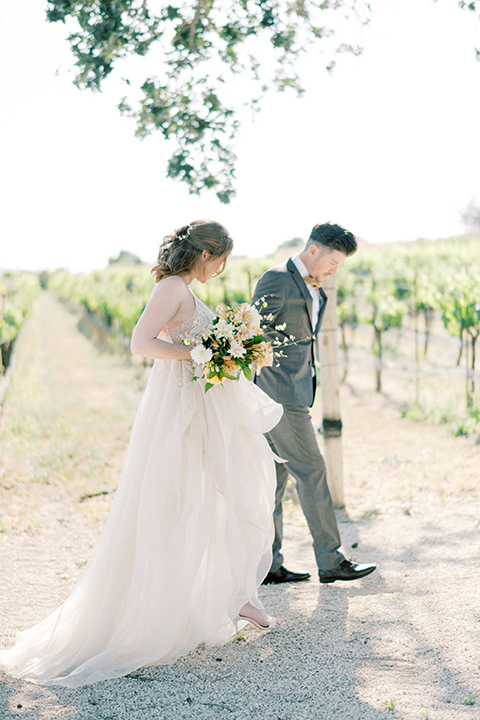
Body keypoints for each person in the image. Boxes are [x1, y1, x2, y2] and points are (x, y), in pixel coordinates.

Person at [0, 220, 283, 688]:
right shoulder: (171, 287)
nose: (223, 269)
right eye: (222, 260)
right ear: (205, 255)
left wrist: (223, 352)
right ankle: (179, 606)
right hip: (180, 409)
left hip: (202, 404)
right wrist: (202, 353)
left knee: (230, 489)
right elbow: (140, 343)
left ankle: (234, 592)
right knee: (181, 499)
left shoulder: (184, 287)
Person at [251, 222, 376, 585]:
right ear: (313, 250)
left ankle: (268, 565)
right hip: (279, 393)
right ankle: (330, 560)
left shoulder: (315, 286)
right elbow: (254, 333)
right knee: (312, 470)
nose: (335, 270)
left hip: (296, 390)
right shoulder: (276, 278)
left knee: (273, 480)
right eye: (333, 262)